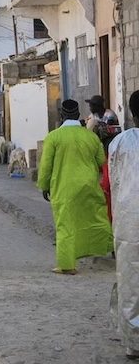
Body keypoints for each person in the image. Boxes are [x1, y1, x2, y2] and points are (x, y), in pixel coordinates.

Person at [37, 99, 113, 275]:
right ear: (78, 115)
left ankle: (66, 265)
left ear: (62, 115)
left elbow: (46, 166)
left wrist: (44, 186)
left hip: (64, 188)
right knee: (93, 219)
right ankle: (105, 247)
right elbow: (101, 161)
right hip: (88, 185)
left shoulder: (53, 137)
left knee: (65, 225)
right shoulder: (91, 137)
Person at [105, 90, 139, 359]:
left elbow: (113, 182)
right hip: (128, 221)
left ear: (131, 113)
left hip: (129, 221)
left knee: (131, 282)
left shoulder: (119, 143)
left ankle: (134, 342)